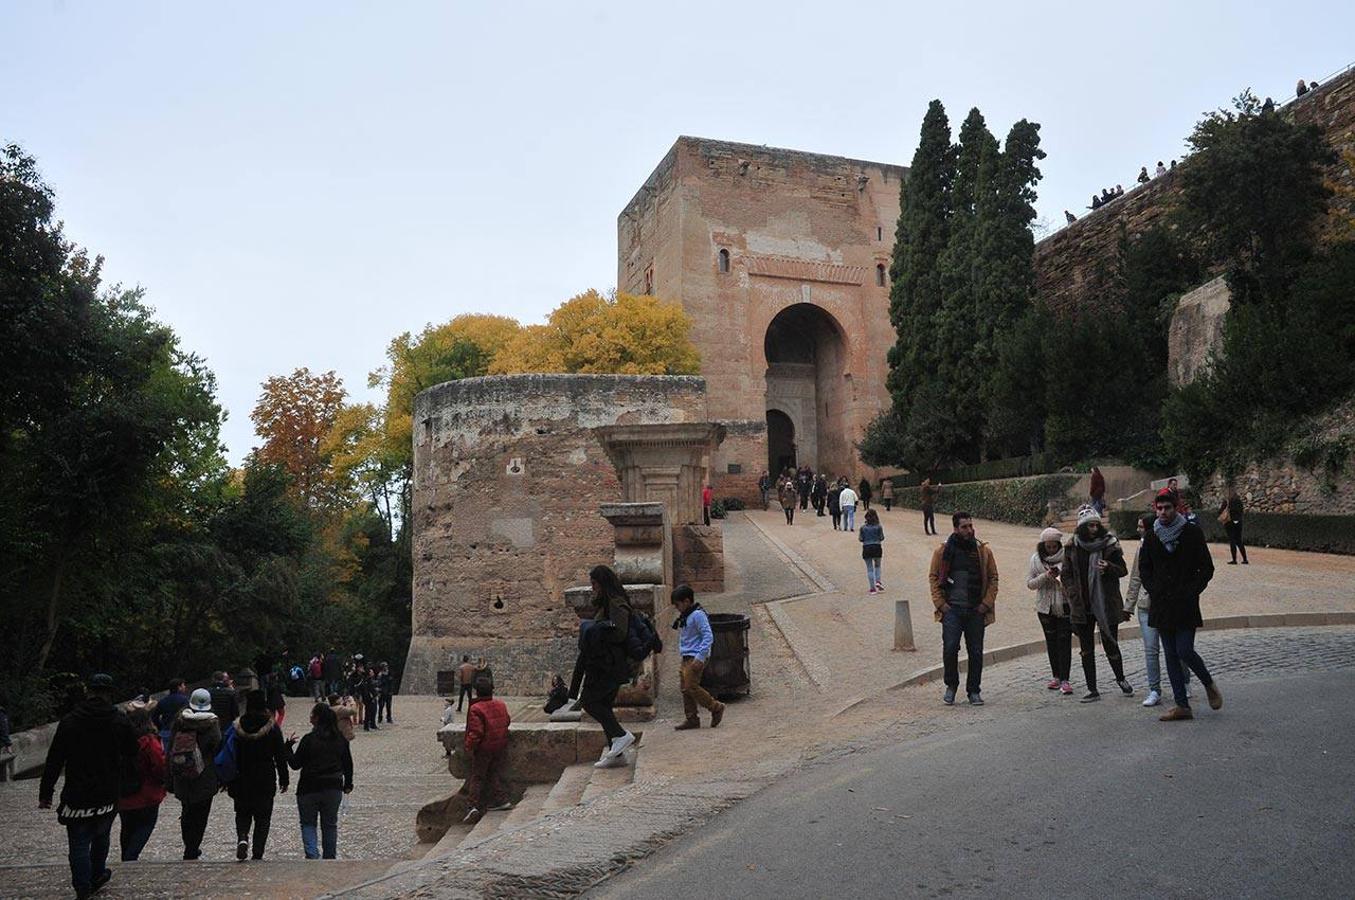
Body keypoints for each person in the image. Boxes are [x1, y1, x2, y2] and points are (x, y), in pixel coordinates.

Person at [39, 673, 138, 899]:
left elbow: (54, 760)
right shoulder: (119, 721)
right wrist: (130, 783)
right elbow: (133, 753)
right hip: (108, 790)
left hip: (78, 791)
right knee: (101, 835)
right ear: (110, 693)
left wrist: (46, 793)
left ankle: (82, 886)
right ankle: (96, 874)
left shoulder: (71, 721)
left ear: (89, 692)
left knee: (78, 841)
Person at [1140, 489, 1223, 722]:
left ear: (1175, 508)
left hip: (1185, 602)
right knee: (1170, 655)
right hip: (1162, 603)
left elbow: (1206, 568)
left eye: (1167, 508)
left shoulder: (1192, 532)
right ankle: (1181, 705)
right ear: (1155, 510)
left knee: (1184, 649)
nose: (1163, 512)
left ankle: (1208, 683)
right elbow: (1144, 568)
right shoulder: (1151, 536)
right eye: (1159, 508)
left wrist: (1192, 590)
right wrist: (1153, 588)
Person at [1061, 505, 1133, 703]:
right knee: (1086, 649)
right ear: (1082, 527)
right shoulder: (1072, 546)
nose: (1094, 529)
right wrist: (1073, 593)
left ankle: (1121, 678)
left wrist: (1109, 567)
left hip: (1106, 602)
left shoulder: (1109, 544)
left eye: (1096, 525)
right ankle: (1092, 689)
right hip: (1082, 605)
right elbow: (1066, 574)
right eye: (1090, 525)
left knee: (1111, 643)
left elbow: (1123, 570)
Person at [570, 565, 638, 768]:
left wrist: (594, 628)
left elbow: (620, 633)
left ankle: (621, 735)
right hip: (604, 664)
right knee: (604, 705)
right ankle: (616, 756)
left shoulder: (616, 604)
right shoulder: (605, 603)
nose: (592, 588)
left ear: (603, 584)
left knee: (590, 703)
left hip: (611, 665)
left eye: (594, 584)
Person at [929, 513, 999, 705]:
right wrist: (941, 604)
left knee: (976, 652)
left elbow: (993, 577)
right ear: (955, 529)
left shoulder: (982, 551)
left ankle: (974, 690)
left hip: (976, 609)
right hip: (952, 609)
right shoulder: (943, 552)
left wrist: (986, 603)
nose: (969, 530)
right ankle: (951, 685)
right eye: (964, 527)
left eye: (970, 525)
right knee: (950, 649)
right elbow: (934, 577)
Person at [1125, 513, 1189, 708]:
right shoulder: (1141, 548)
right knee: (1151, 650)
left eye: (1141, 527)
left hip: (1168, 605)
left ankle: (1184, 681)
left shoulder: (1172, 544)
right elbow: (1136, 577)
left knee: (1177, 650)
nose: (1138, 530)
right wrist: (1128, 605)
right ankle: (1154, 689)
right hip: (1146, 606)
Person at [286, 703, 354, 859]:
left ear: (317, 718)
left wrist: (287, 749)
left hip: (309, 787)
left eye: (312, 715)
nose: (310, 717)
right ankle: (329, 857)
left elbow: (296, 764)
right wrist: (348, 783)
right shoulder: (340, 740)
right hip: (333, 787)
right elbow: (348, 764)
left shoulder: (309, 740)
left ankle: (312, 855)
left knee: (308, 824)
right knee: (329, 825)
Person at [230, 690, 290, 860]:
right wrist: (284, 779)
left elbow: (230, 752)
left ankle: (242, 837)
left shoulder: (238, 725)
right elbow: (279, 755)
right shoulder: (271, 727)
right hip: (265, 775)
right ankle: (258, 851)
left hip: (241, 774)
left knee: (242, 812)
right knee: (263, 816)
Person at [169, 687, 221, 860]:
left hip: (182, 772)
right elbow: (216, 746)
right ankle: (193, 846)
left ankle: (188, 844)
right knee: (201, 814)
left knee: (186, 811)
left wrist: (168, 776)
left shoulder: (180, 720)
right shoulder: (212, 722)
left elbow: (171, 746)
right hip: (204, 775)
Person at [670, 585, 725, 730]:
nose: (677, 608)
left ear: (687, 601)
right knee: (685, 688)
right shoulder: (687, 615)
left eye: (678, 604)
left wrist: (700, 657)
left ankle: (715, 707)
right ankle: (691, 718)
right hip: (687, 655)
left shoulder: (698, 615)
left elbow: (708, 636)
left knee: (691, 686)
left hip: (695, 656)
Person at [117, 703, 167, 862]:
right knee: (145, 825)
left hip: (124, 793)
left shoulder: (120, 740)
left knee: (127, 827)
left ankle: (126, 856)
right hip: (147, 793)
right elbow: (159, 766)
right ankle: (131, 856)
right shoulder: (150, 741)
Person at [462, 676, 514, 823]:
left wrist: (468, 746)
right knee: (493, 773)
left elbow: (476, 732)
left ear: (477, 692)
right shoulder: (501, 704)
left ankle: (472, 806)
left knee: (478, 776)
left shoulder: (476, 708)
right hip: (500, 745)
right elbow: (507, 720)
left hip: (485, 748)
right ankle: (501, 799)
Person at [1027, 527, 1073, 695]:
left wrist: (1061, 576)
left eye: (1055, 546)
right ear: (1043, 545)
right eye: (1049, 546)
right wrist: (1046, 576)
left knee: (1064, 641)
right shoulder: (1035, 560)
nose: (1052, 550)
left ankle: (1066, 679)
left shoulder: (1067, 559)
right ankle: (1056, 676)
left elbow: (1073, 580)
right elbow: (1030, 584)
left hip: (1064, 604)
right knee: (1051, 641)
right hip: (1045, 607)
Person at [153, 678, 190, 755]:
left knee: (168, 755)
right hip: (180, 731)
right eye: (183, 685)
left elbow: (155, 717)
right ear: (178, 687)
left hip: (166, 731)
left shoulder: (162, 701)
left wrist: (161, 726)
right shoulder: (184, 700)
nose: (185, 687)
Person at [1219, 488, 1248, 565]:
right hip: (1238, 522)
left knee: (1232, 540)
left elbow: (1220, 511)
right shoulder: (1239, 501)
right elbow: (1241, 511)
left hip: (1229, 522)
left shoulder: (1227, 501)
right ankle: (1245, 559)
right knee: (1239, 540)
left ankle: (1234, 559)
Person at [859, 509, 885, 593]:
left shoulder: (863, 528)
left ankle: (872, 588)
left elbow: (860, 539)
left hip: (867, 547)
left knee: (869, 569)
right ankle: (878, 581)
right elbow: (882, 538)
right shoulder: (878, 526)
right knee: (877, 566)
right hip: (877, 546)